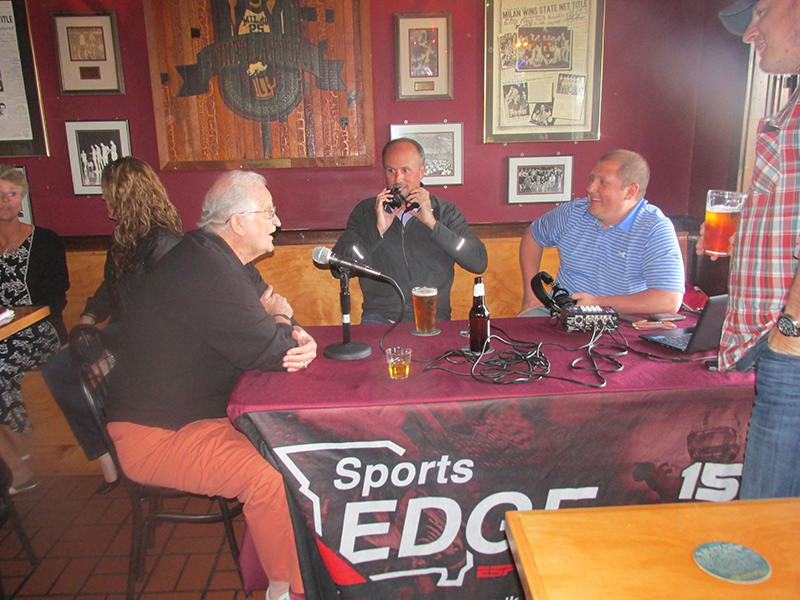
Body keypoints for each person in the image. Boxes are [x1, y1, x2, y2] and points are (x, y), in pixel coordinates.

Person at [106, 170, 316, 600]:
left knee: (290, 451)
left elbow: (279, 322)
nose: (277, 221)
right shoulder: (205, 268)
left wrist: (288, 326)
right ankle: (285, 589)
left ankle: (297, 562)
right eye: (269, 212)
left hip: (194, 415)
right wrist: (282, 324)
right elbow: (273, 349)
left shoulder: (219, 258)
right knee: (271, 477)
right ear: (238, 222)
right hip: (157, 435)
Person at [42, 157, 183, 495]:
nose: (105, 202)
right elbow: (109, 287)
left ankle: (132, 453)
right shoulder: (124, 237)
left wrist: (114, 357)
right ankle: (105, 456)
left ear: (125, 195)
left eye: (108, 195)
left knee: (88, 375)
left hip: (154, 341)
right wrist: (84, 325)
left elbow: (165, 315)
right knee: (58, 368)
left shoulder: (163, 241)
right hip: (125, 331)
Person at [712, 0, 800, 499]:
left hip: (791, 344)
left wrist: (791, 330)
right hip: (779, 340)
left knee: (768, 523)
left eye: (761, 12)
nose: (749, 34)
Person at [332, 138, 488, 323]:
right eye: (391, 171)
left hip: (432, 316)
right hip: (379, 318)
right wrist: (378, 231)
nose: (398, 179)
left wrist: (433, 225)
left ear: (422, 171)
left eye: (406, 170)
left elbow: (478, 262)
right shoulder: (366, 212)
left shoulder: (445, 212)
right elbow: (338, 267)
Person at [518, 150, 685, 316]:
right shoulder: (571, 213)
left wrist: (597, 303)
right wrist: (532, 297)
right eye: (592, 179)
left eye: (603, 182)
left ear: (631, 191)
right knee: (520, 329)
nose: (590, 188)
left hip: (622, 321)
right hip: (562, 315)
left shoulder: (654, 228)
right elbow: (533, 236)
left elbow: (669, 300)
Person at [0, 164, 69, 493]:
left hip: (40, 331)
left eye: (11, 194)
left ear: (21, 198)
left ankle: (19, 462)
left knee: (1, 362)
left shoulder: (45, 241)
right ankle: (16, 459)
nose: (4, 201)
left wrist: (20, 318)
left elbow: (58, 298)